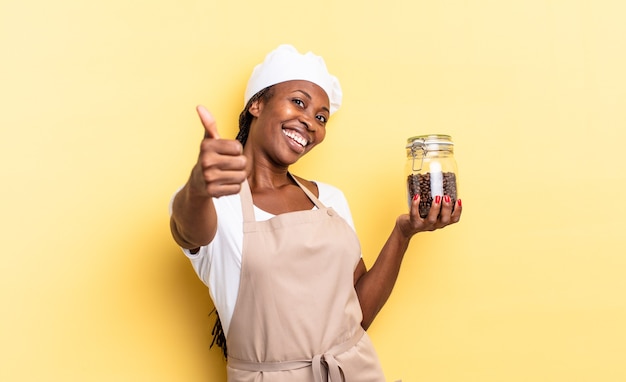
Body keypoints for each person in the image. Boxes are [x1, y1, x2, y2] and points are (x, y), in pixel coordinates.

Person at [169, 44, 462, 381]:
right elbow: (186, 228)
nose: (310, 121)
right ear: (256, 104)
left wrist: (402, 233)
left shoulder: (331, 199)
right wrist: (199, 183)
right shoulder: (215, 203)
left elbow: (358, 315)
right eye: (298, 102)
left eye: (321, 117)